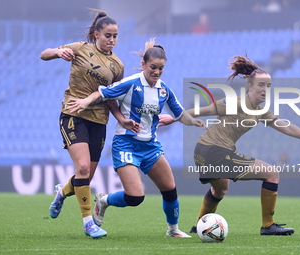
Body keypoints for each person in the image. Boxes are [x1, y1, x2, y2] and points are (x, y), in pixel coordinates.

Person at [158, 55, 300, 236]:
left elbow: (285, 126)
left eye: (268, 86)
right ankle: (268, 225)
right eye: (260, 85)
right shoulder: (236, 102)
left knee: (220, 188)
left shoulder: (259, 111)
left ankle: (198, 227)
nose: (265, 90)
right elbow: (205, 110)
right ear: (250, 86)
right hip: (214, 151)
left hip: (203, 152)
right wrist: (174, 117)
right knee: (272, 173)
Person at [67, 38, 206, 238]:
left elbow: (179, 113)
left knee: (170, 188)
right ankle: (104, 201)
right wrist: (85, 101)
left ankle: (173, 230)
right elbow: (103, 93)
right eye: (153, 68)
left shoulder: (164, 90)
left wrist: (194, 122)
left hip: (150, 146)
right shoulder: (131, 83)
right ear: (143, 65)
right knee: (135, 197)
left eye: (161, 68)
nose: (157, 72)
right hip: (126, 144)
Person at [40, 10, 140, 238]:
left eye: (115, 36)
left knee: (85, 176)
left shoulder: (117, 65)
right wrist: (57, 51)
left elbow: (111, 97)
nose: (112, 40)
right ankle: (88, 223)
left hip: (99, 121)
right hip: (73, 115)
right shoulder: (80, 48)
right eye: (108, 35)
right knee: (83, 168)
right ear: (96, 34)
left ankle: (61, 193)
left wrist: (121, 119)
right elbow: (43, 55)